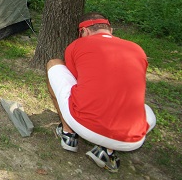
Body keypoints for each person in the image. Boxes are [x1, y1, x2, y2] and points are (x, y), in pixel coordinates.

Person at [46, 12, 156, 172]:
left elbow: (74, 81)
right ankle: (106, 151)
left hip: (86, 125)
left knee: (54, 64)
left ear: (85, 31)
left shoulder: (77, 46)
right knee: (147, 112)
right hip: (133, 138)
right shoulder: (138, 50)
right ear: (110, 30)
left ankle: (68, 134)